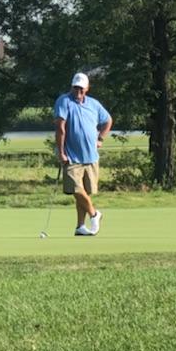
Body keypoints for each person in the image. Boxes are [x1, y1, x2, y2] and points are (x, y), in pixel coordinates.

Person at [53, 72, 112, 236]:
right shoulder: (64, 101)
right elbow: (60, 128)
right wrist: (61, 152)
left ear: (87, 88)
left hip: (91, 156)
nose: (78, 91)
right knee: (76, 189)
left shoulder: (94, 104)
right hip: (71, 157)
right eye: (75, 87)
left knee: (84, 192)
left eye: (81, 88)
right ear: (71, 87)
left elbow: (108, 120)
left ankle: (80, 226)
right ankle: (94, 214)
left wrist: (100, 138)